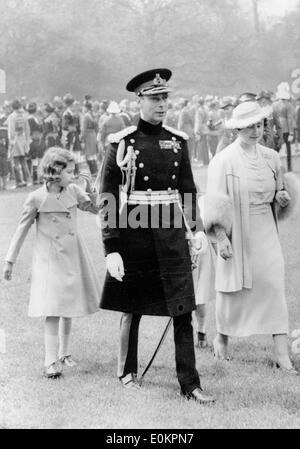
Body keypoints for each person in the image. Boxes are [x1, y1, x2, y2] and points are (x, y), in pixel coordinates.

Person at [98, 68, 215, 404]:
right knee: (132, 307)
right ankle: (126, 372)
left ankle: (190, 384)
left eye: (165, 97)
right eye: (155, 98)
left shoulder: (178, 141)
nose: (162, 104)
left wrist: (197, 230)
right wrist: (112, 248)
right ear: (140, 100)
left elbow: (188, 190)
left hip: (169, 231)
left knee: (182, 308)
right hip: (134, 230)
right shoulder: (121, 142)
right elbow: (107, 198)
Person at [203, 101, 297, 374]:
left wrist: (281, 198)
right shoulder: (223, 160)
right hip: (236, 231)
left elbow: (279, 194)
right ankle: (222, 336)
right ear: (237, 128)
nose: (255, 131)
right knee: (233, 290)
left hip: (266, 229)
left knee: (273, 284)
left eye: (259, 125)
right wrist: (221, 237)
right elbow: (215, 202)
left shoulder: (271, 157)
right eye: (249, 126)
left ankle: (282, 354)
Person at [3, 147, 101, 378]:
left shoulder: (74, 190)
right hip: (49, 261)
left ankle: (64, 353)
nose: (73, 175)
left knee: (68, 306)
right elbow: (21, 229)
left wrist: (92, 190)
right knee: (52, 309)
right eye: (69, 171)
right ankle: (49, 361)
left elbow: (96, 209)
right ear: (55, 172)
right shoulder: (36, 197)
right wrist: (10, 260)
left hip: (73, 255)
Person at [7, 99, 31, 187]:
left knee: (15, 162)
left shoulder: (11, 117)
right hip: (23, 139)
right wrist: (27, 141)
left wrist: (11, 144)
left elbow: (11, 132)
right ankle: (26, 180)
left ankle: (19, 182)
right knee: (23, 161)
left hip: (15, 141)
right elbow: (27, 129)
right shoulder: (24, 116)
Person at [273, 83, 295, 171]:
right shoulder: (288, 105)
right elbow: (289, 119)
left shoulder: (274, 104)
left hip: (277, 128)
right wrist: (292, 133)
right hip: (286, 129)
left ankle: (275, 166)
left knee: (277, 148)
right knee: (288, 149)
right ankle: (289, 167)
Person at [27, 102, 45, 184]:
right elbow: (41, 129)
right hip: (39, 140)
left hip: (31, 141)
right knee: (40, 160)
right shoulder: (37, 119)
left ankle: (35, 179)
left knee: (34, 160)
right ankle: (41, 178)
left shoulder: (28, 119)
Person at [82, 100, 98, 175]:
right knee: (93, 153)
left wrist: (82, 138)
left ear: (86, 108)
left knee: (89, 154)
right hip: (93, 134)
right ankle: (95, 170)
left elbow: (84, 129)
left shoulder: (86, 116)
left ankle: (93, 171)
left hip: (88, 135)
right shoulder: (93, 115)